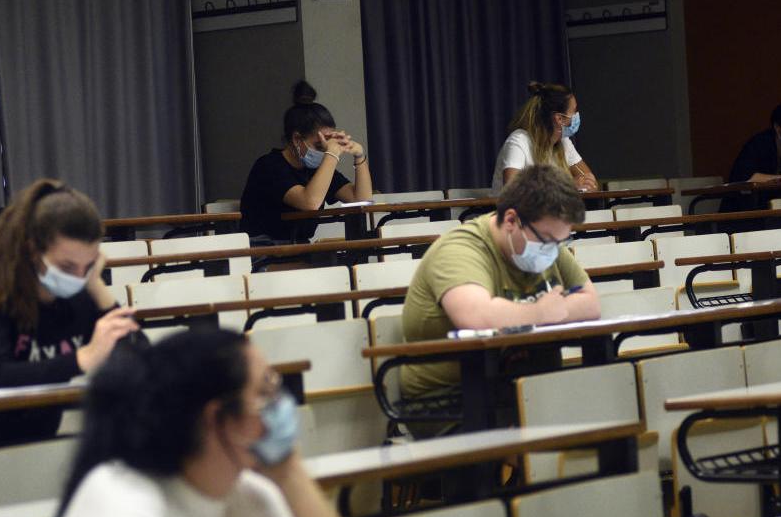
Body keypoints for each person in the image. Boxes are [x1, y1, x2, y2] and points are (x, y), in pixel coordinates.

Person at [33, 329, 376, 517]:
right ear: (217, 417)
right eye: (264, 391)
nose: (279, 403)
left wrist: (290, 474)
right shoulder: (117, 491)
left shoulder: (252, 495)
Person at [0, 179, 140, 447]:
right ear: (33, 251)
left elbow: (141, 360)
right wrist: (82, 358)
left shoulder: (81, 294)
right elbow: (0, 376)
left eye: (88, 265)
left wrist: (96, 285)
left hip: (39, 444)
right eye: (68, 266)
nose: (78, 276)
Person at [403, 164, 600, 400]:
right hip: (449, 399)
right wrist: (540, 312)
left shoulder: (549, 241)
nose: (552, 250)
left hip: (519, 387)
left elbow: (591, 304)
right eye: (546, 240)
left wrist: (544, 312)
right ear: (511, 220)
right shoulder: (460, 249)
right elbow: (476, 318)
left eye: (559, 242)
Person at [239, 80, 373, 243]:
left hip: (298, 249)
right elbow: (310, 202)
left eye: (327, 144)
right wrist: (332, 153)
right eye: (319, 145)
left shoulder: (316, 168)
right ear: (297, 139)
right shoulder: (269, 166)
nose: (325, 150)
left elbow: (361, 199)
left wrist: (359, 155)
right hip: (262, 250)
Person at [491, 82, 599, 194]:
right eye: (574, 111)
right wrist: (568, 186)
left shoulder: (564, 142)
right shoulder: (519, 141)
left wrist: (588, 185)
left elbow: (591, 182)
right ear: (559, 119)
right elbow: (512, 190)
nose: (577, 115)